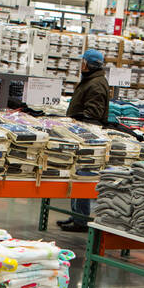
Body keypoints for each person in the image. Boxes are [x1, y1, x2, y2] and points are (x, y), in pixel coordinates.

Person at [57, 48, 110, 233]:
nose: (81, 65)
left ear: (89, 64)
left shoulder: (95, 84)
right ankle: (77, 215)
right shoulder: (92, 80)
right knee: (78, 173)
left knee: (83, 176)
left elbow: (93, 114)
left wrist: (78, 123)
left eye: (83, 62)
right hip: (80, 133)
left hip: (87, 137)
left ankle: (80, 219)